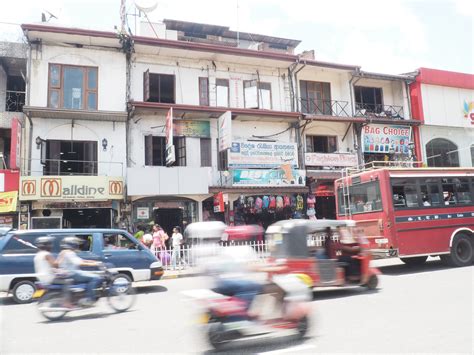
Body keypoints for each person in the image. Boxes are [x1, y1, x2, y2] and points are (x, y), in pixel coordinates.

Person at [56, 236, 102, 305]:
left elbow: (81, 260)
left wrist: (93, 262)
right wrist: (94, 264)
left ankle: (83, 294)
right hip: (72, 273)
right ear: (72, 244)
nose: (77, 245)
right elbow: (79, 263)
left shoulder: (64, 252)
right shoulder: (69, 253)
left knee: (90, 274)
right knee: (96, 277)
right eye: (76, 243)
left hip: (69, 272)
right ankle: (90, 299)